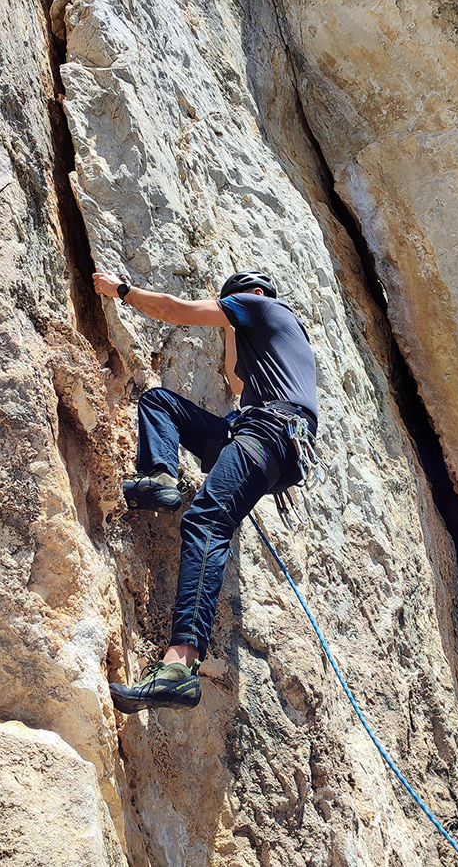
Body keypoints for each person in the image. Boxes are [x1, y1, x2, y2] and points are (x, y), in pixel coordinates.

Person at [92, 268, 319, 713]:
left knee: (208, 522)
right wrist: (232, 329)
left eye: (232, 308)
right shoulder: (281, 346)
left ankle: (179, 667)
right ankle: (159, 479)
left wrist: (122, 290)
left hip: (268, 434)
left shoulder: (262, 305)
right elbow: (237, 382)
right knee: (160, 403)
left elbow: (173, 311)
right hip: (267, 440)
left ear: (253, 295)